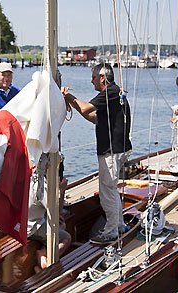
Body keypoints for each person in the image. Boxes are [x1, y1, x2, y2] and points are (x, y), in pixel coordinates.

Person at [62, 63, 132, 245]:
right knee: (111, 190)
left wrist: (68, 97)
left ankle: (110, 232)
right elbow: (93, 117)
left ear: (102, 77)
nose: (91, 80)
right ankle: (117, 226)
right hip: (117, 149)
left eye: (93, 77)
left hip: (111, 150)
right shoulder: (113, 94)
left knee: (107, 192)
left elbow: (86, 108)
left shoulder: (110, 92)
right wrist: (73, 103)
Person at [27, 154, 71, 272]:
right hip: (32, 228)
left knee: (61, 225)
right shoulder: (43, 186)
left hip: (23, 223)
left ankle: (43, 253)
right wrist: (62, 190)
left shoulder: (32, 178)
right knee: (66, 237)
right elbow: (56, 211)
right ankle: (49, 264)